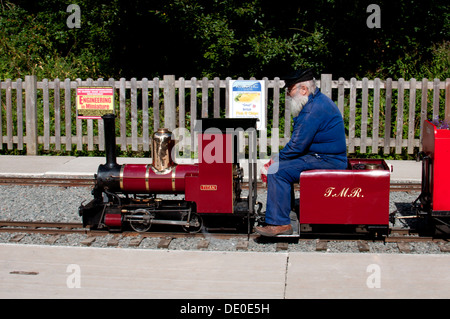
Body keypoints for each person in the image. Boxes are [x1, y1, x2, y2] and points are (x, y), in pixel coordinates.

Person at [255, 68, 348, 236]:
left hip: (328, 159)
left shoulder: (313, 110)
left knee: (278, 172)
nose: (288, 94)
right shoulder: (317, 103)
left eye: (290, 89)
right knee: (282, 167)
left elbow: (297, 146)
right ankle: (285, 213)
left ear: (303, 89)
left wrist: (273, 163)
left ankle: (280, 224)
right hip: (322, 156)